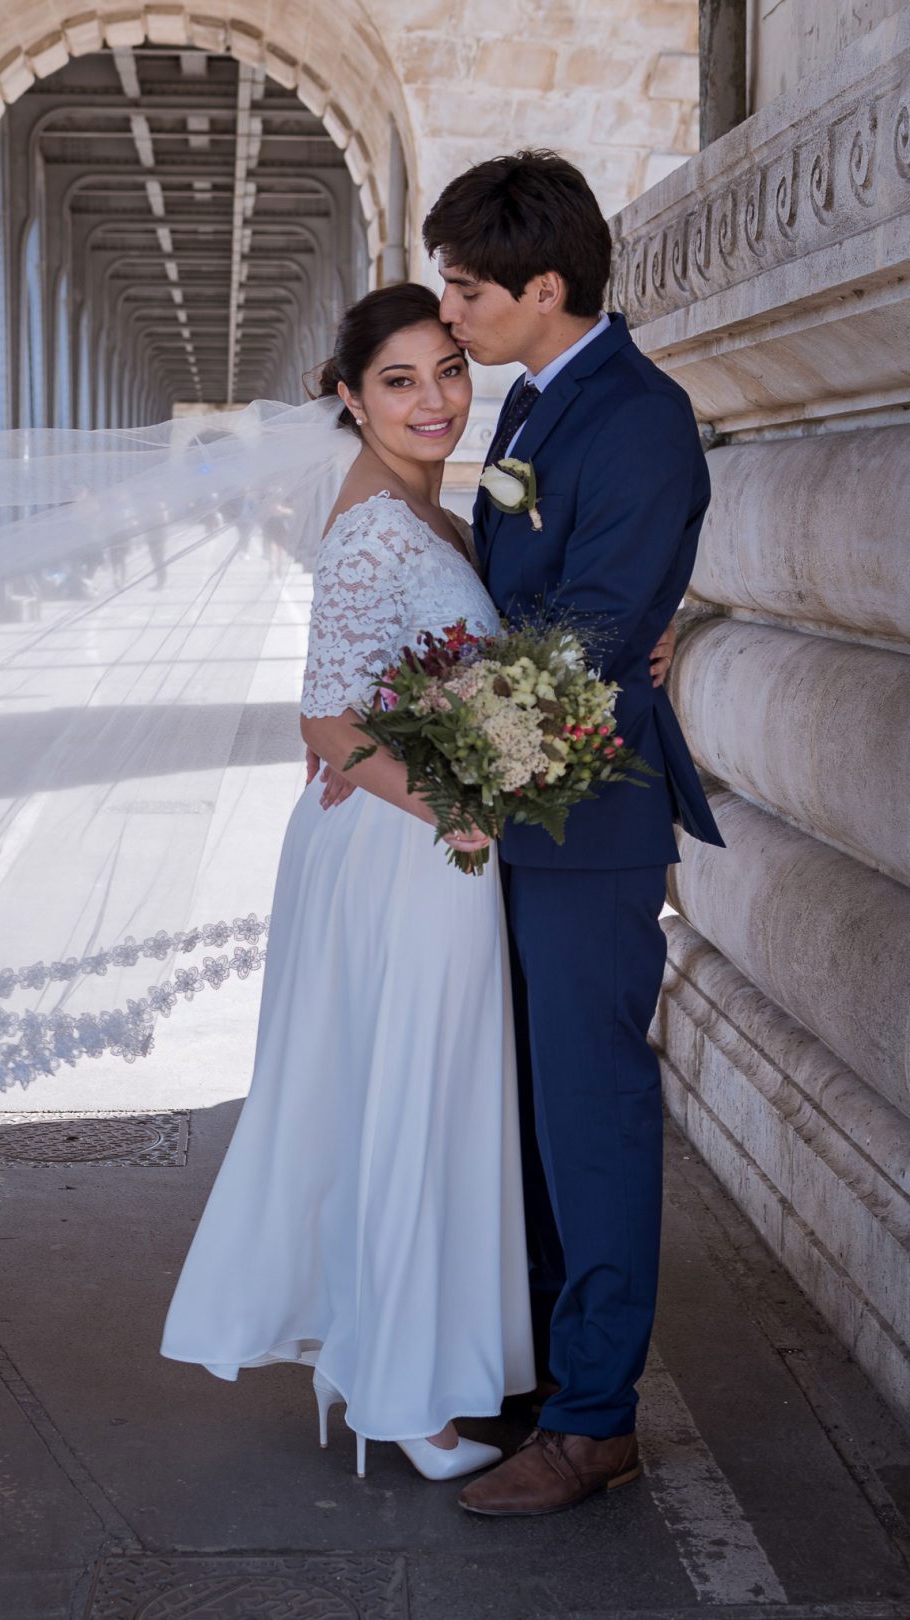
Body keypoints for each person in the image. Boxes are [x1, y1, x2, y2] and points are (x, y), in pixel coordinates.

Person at [160, 278, 680, 1487]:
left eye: (448, 369)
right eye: (399, 381)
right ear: (349, 398)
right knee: (406, 1108)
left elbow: (501, 642)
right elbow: (328, 723)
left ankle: (412, 1356)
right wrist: (471, 809)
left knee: (436, 1108)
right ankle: (401, 1392)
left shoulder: (441, 517)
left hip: (438, 852)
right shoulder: (372, 529)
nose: (435, 399)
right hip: (408, 856)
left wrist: (653, 631)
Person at [418, 150, 725, 1517]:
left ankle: (596, 1418)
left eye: (469, 287)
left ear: (548, 287)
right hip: (519, 807)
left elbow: (591, 633)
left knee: (591, 1114)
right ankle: (546, 1370)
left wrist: (430, 757)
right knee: (532, 1110)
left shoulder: (639, 419)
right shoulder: (541, 404)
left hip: (589, 823)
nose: (450, 311)